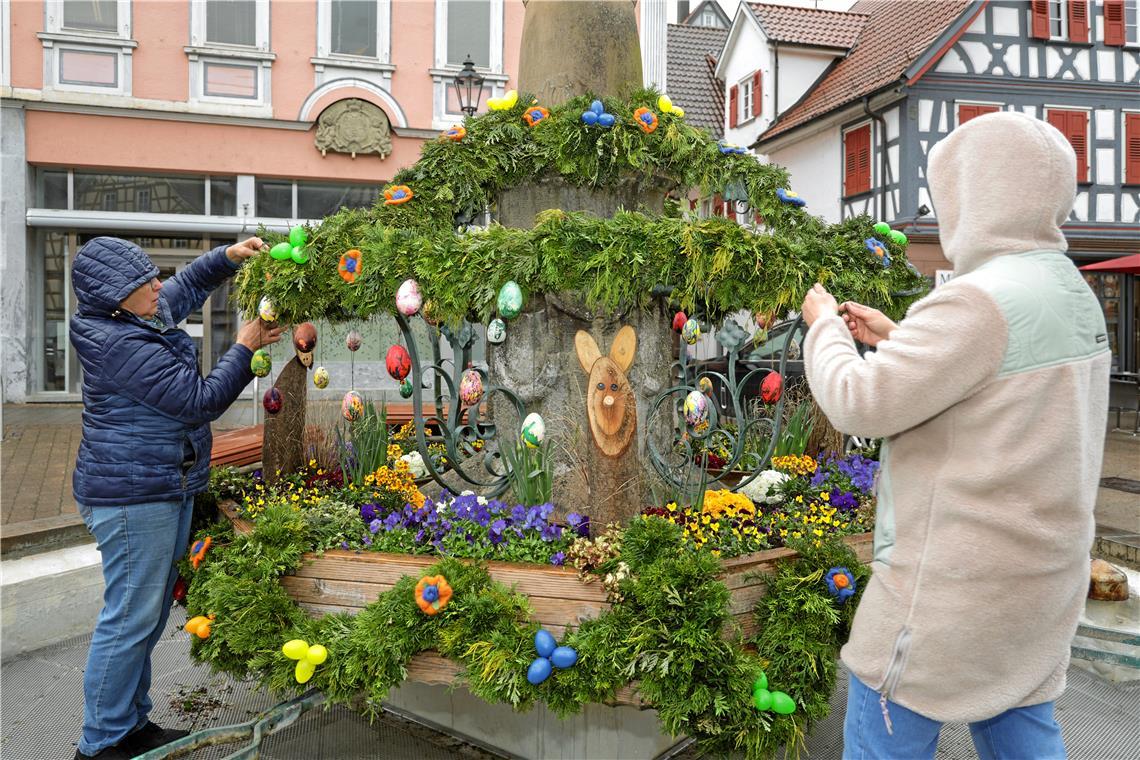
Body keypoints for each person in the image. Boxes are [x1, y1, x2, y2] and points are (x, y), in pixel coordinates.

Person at [799, 111, 1110, 759]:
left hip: (946, 605)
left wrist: (823, 325)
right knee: (1024, 732)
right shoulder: (1073, 293)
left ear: (977, 192)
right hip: (1036, 595)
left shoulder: (974, 301)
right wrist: (898, 336)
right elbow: (998, 382)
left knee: (886, 727)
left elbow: (857, 402)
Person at [69, 236, 284, 760]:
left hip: (161, 483)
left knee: (147, 612)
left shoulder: (135, 313)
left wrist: (226, 258)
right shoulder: (116, 342)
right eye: (146, 283)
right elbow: (198, 401)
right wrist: (246, 346)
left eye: (152, 275)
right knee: (129, 618)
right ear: (118, 297)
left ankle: (129, 724)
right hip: (132, 497)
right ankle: (99, 743)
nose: (157, 286)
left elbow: (183, 286)